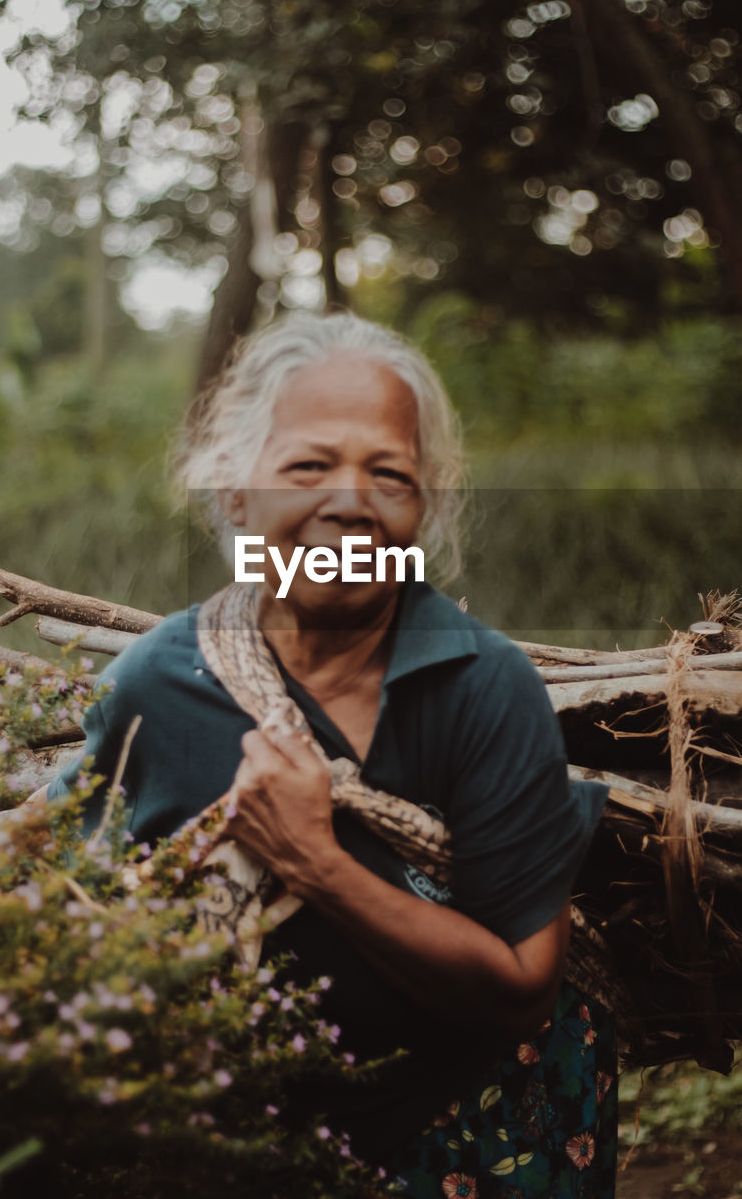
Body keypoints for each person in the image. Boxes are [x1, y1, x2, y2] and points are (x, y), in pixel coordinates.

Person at [45, 311, 617, 1197]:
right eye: (308, 465)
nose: (349, 500)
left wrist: (314, 861)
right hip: (232, 1152)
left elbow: (519, 989)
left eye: (387, 473)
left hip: (469, 1132)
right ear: (235, 493)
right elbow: (77, 915)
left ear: (420, 507)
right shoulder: (156, 686)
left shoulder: (481, 687)